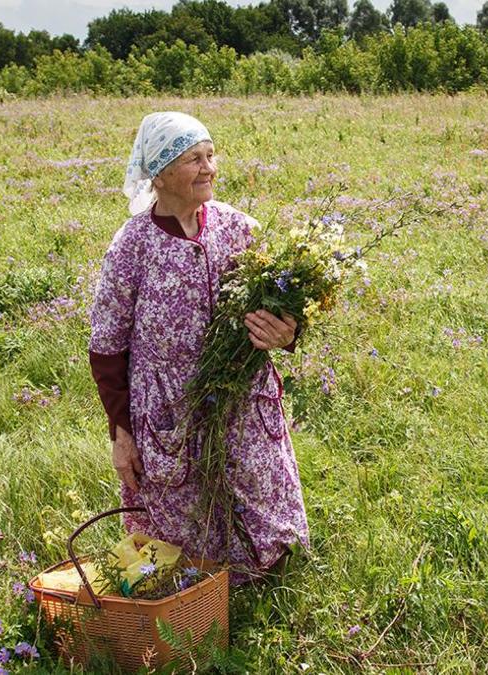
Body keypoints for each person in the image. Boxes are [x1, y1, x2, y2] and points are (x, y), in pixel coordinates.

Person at [88, 111, 309, 583]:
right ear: (161, 173)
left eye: (211, 155)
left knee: (262, 507)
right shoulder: (132, 246)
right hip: (170, 414)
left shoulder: (239, 228)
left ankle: (264, 589)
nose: (209, 167)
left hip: (243, 400)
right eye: (194, 159)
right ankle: (192, 602)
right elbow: (106, 348)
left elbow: (281, 305)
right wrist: (121, 433)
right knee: (181, 538)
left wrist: (288, 333)